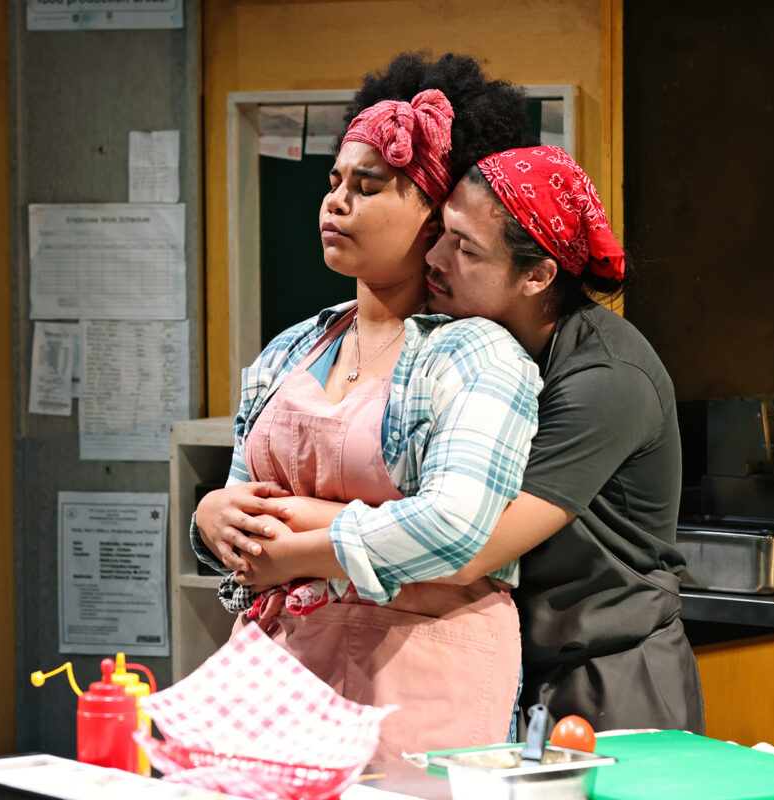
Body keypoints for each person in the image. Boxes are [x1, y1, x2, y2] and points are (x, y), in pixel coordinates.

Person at [235, 145, 705, 735]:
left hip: (608, 672)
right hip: (512, 657)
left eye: (466, 249)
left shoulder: (606, 379)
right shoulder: (442, 346)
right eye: (441, 232)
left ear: (537, 276)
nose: (435, 258)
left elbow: (472, 546)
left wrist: (292, 522)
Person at [190, 53, 541, 760]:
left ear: (434, 215)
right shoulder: (291, 350)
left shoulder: (474, 356)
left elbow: (457, 527)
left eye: (368, 185)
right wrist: (211, 519)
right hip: (277, 675)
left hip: (416, 682)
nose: (335, 202)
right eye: (334, 182)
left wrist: (307, 545)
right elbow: (243, 501)